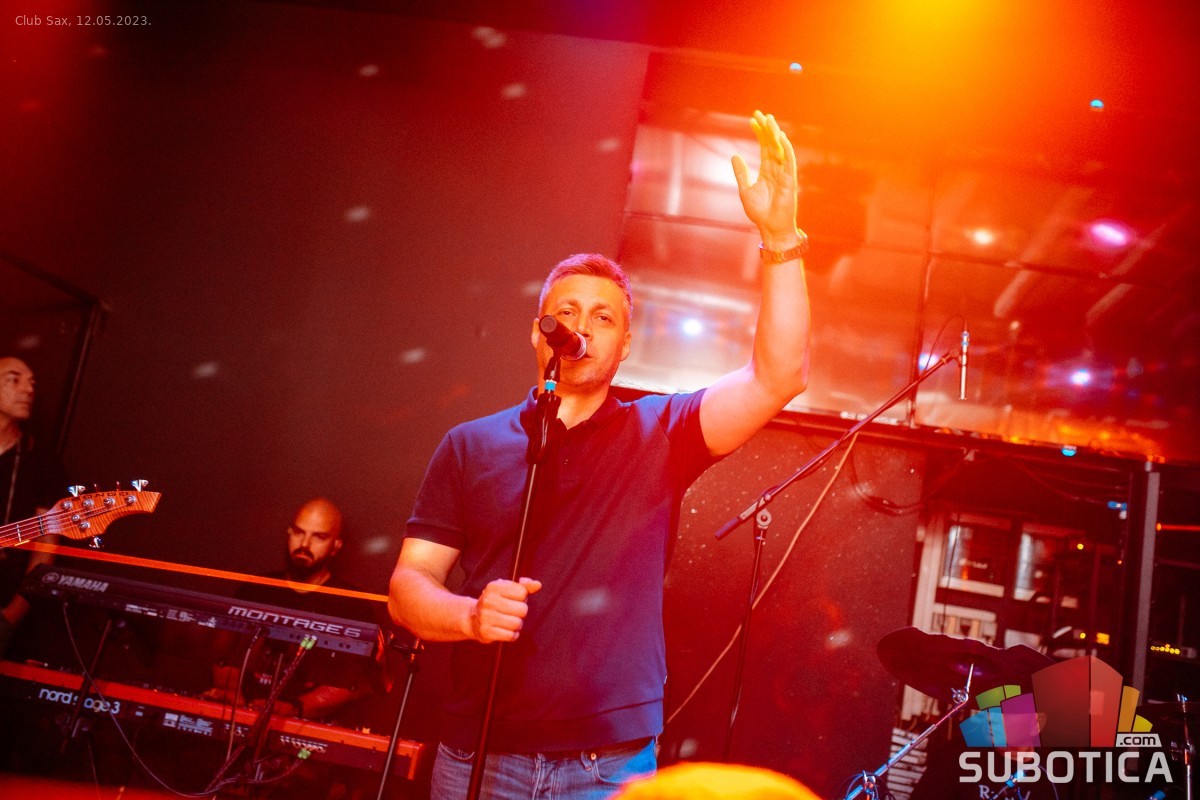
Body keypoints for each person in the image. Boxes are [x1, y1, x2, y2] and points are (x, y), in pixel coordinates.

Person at [388, 110, 812, 799]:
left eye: (603, 316)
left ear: (625, 345)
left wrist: (781, 238)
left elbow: (779, 375)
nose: (581, 326)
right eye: (567, 312)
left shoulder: (663, 430)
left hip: (605, 766)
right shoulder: (471, 445)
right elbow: (409, 586)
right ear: (539, 332)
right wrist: (467, 616)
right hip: (479, 752)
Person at [0, 356, 67, 656]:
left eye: (32, 383)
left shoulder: (42, 463)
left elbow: (46, 546)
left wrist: (12, 614)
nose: (28, 389)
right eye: (14, 379)